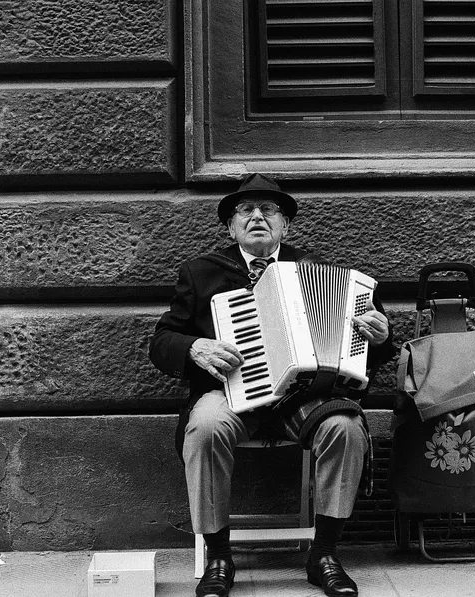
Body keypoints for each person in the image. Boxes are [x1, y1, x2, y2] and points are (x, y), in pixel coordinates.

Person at [149, 173, 395, 597]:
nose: (257, 216)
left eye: (269, 210)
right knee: (205, 427)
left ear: (286, 226)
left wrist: (381, 335)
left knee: (345, 427)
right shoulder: (200, 273)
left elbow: (364, 352)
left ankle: (324, 554)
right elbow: (161, 341)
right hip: (230, 394)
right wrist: (195, 348)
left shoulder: (322, 273)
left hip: (300, 399)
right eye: (245, 210)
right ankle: (219, 556)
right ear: (231, 227)